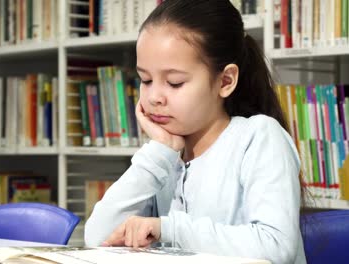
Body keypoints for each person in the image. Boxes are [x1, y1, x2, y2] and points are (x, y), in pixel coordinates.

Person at [85, 0, 306, 263]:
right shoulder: (166, 154)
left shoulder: (259, 137)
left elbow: (276, 246)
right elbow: (98, 237)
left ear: (225, 81)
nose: (154, 96)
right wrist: (159, 152)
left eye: (175, 83)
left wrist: (168, 229)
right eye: (145, 80)